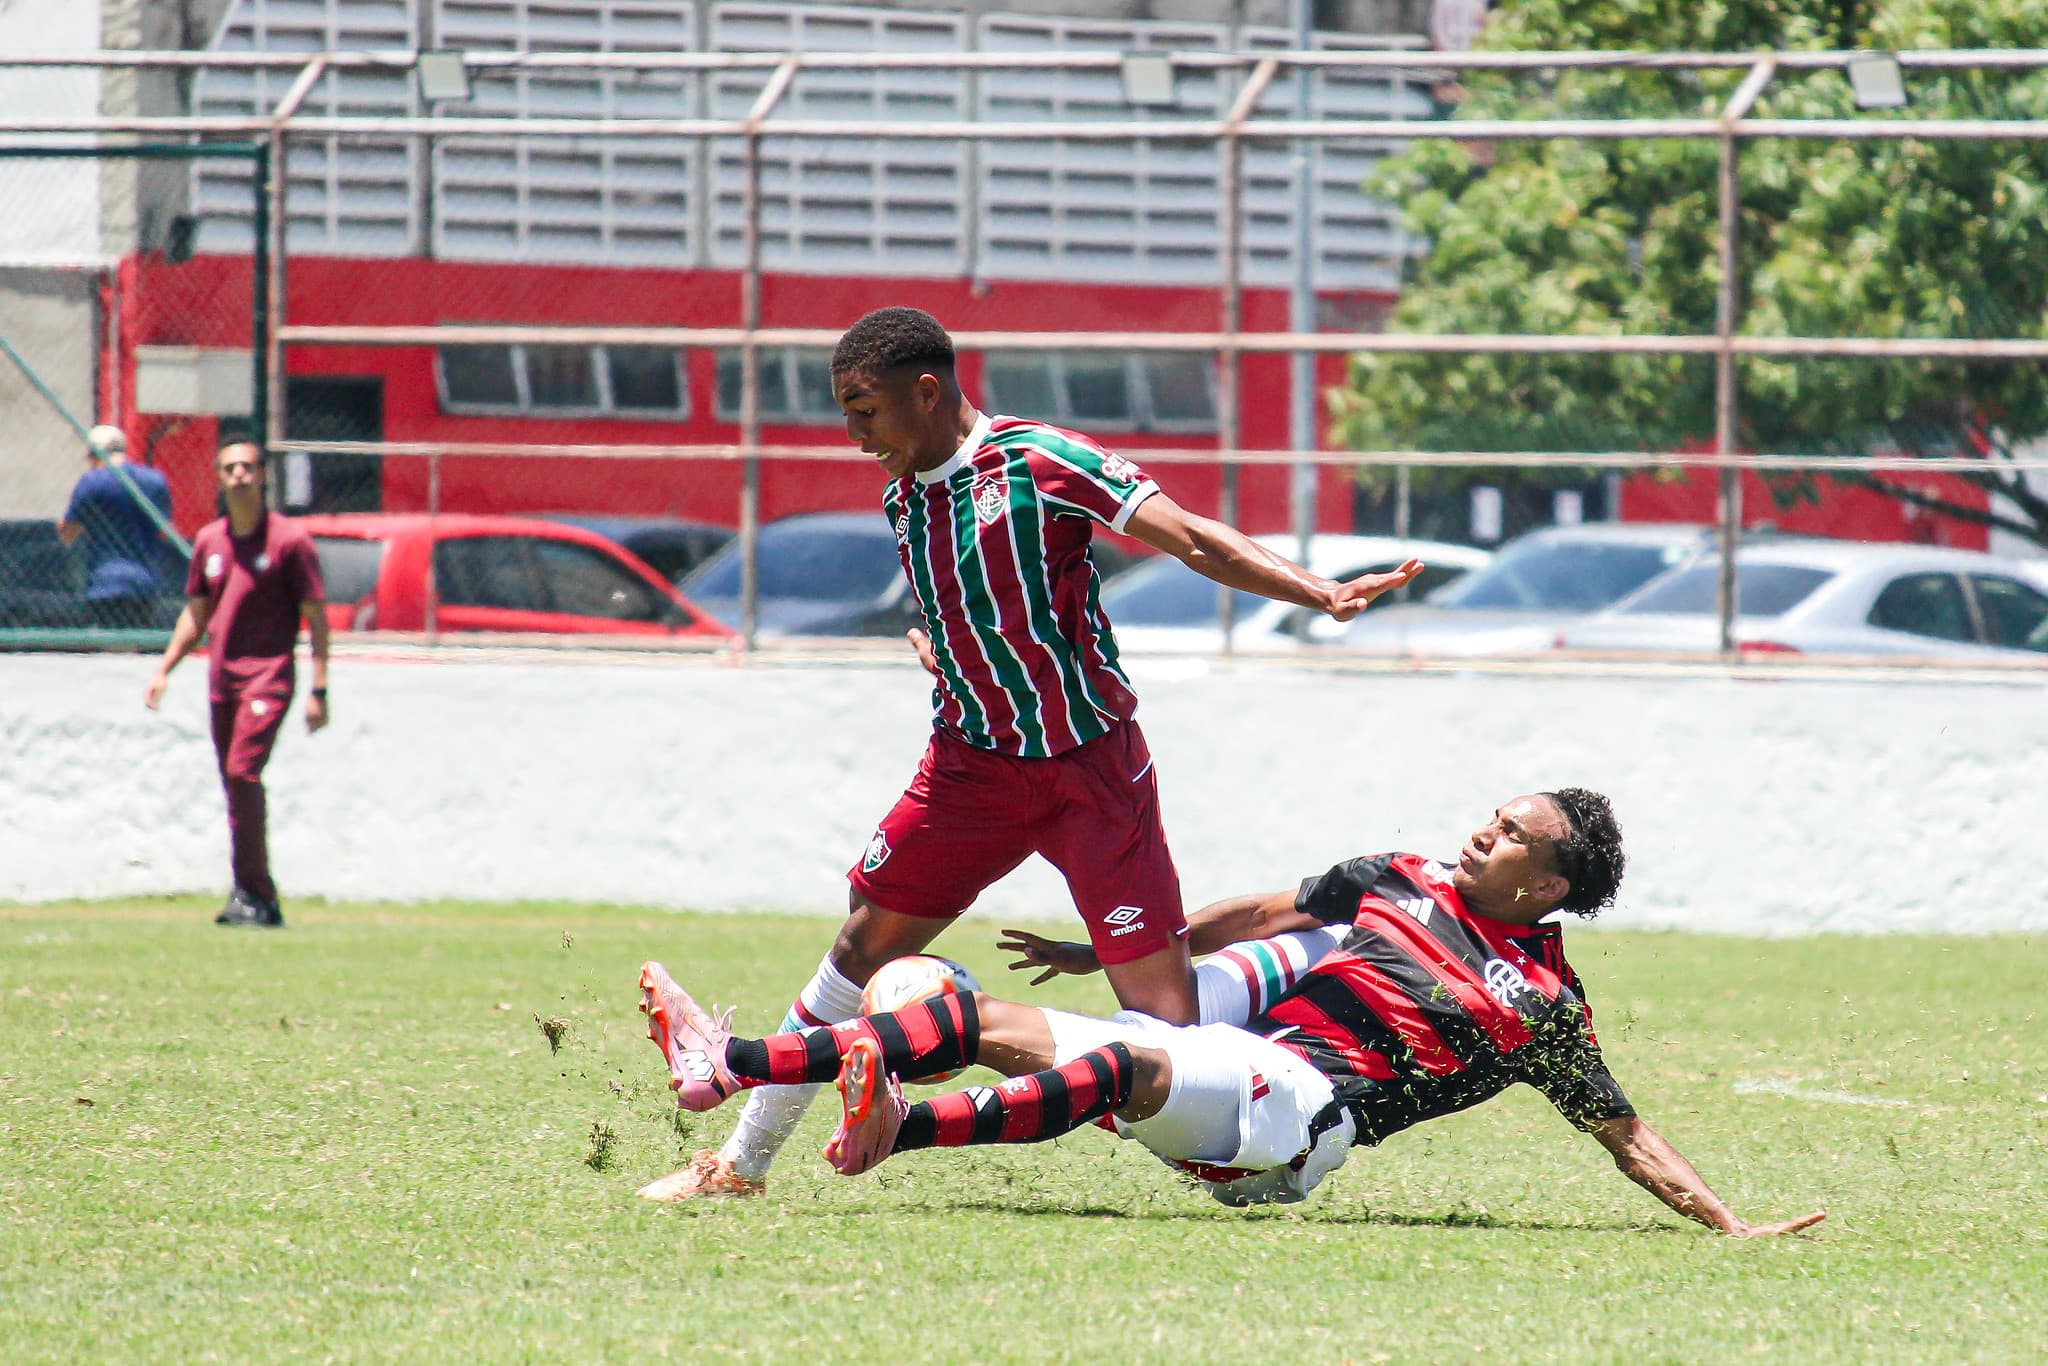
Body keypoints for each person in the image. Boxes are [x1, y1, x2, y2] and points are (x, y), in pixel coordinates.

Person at [643, 306, 1423, 1200]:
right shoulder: (905, 497)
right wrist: (951, 654)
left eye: (864, 411)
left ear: (925, 391)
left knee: (1164, 1029)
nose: (853, 436)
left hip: (1092, 775)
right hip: (971, 769)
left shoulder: (1041, 461)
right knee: (861, 944)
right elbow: (973, 609)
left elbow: (1193, 536)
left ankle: (1249, 1135)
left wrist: (1316, 590)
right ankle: (737, 1163)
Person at [638, 788, 1826, 1237]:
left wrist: (1727, 1224)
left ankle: (743, 1062)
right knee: (950, 1010)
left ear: (1549, 885)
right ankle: (737, 1075)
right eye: (1495, 813)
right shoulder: (1394, 873)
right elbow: (1253, 912)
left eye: (1515, 834)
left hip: (1301, 1131)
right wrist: (1090, 944)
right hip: (1242, 1066)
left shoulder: (1542, 1003)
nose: (1486, 830)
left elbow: (1624, 1133)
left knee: (1122, 1071)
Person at [144, 438, 329, 928]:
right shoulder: (209, 541)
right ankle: (251, 895)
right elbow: (197, 613)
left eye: (248, 466)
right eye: (230, 468)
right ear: (219, 478)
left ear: (263, 475)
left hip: (268, 679)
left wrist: (319, 688)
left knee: (243, 771)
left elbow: (316, 617)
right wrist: (165, 668)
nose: (240, 475)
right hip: (221, 680)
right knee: (233, 782)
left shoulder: (290, 542)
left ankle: (255, 892)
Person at [57, 424, 178, 630]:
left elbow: (67, 533)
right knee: (138, 647)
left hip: (104, 582)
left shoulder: (91, 482)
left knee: (109, 651)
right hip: (144, 583)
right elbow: (166, 532)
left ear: (93, 454)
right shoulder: (155, 480)